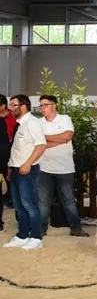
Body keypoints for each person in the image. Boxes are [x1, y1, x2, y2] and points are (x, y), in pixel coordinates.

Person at [36, 95, 89, 237]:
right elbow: (38, 143)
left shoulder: (65, 119)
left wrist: (45, 138)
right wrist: (58, 139)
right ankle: (41, 230)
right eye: (41, 105)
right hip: (43, 168)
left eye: (45, 105)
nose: (42, 108)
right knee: (43, 202)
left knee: (69, 200)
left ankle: (76, 229)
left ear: (54, 106)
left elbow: (67, 137)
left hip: (65, 168)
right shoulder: (38, 122)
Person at [4, 95, 47, 250]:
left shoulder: (32, 123)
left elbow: (41, 145)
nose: (10, 107)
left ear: (23, 106)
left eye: (13, 104)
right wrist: (11, 167)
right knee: (19, 205)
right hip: (16, 169)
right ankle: (22, 235)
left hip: (27, 171)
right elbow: (16, 149)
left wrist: (28, 164)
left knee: (29, 204)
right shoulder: (20, 124)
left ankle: (36, 237)